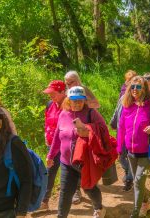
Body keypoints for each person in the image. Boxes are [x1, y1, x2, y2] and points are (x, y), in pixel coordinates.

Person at [47, 86, 108, 218]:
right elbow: (58, 136)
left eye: (80, 100)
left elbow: (104, 130)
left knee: (89, 188)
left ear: (84, 100)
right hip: (66, 162)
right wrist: (51, 156)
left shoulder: (91, 113)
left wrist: (88, 130)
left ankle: (99, 208)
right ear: (68, 100)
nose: (77, 103)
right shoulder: (63, 114)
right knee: (65, 192)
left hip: (85, 161)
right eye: (74, 100)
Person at [118, 76, 150, 217]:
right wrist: (119, 147)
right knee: (137, 182)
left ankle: (135, 212)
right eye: (132, 87)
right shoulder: (127, 105)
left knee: (139, 180)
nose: (135, 89)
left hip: (147, 151)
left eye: (138, 87)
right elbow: (121, 128)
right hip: (131, 152)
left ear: (144, 88)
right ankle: (145, 203)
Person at [64, 70, 99, 203]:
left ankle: (88, 186)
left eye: (70, 82)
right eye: (66, 83)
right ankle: (77, 191)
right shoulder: (67, 92)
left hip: (85, 130)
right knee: (73, 160)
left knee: (81, 160)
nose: (68, 85)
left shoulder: (85, 90)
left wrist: (83, 104)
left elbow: (97, 104)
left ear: (77, 80)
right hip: (70, 131)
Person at [40, 80, 66, 210]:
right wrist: (46, 134)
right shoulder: (50, 104)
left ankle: (78, 191)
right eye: (49, 93)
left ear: (62, 92)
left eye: (53, 93)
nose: (50, 96)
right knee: (50, 171)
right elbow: (47, 121)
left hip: (67, 145)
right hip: (52, 144)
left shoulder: (71, 104)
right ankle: (44, 202)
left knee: (73, 171)